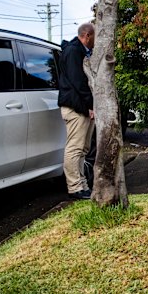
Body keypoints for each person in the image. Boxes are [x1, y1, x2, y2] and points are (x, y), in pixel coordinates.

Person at [58, 23, 95, 200]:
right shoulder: (73, 51)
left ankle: (82, 184)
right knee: (75, 148)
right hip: (76, 107)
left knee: (82, 149)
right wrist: (90, 105)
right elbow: (79, 82)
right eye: (95, 37)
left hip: (82, 107)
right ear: (87, 35)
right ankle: (75, 187)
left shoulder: (79, 51)